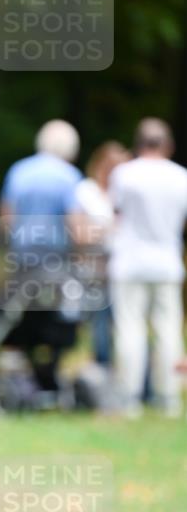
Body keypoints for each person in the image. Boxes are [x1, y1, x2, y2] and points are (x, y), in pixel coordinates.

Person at [0, 120, 82, 396]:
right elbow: (75, 224)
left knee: (21, 318)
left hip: (23, 261)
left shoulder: (19, 171)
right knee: (56, 322)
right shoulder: (70, 176)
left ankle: (24, 377)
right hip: (56, 262)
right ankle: (48, 376)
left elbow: (6, 218)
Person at [108, 118, 187, 418]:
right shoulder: (181, 176)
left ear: (138, 143)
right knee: (169, 330)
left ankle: (129, 397)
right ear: (168, 144)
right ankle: (168, 397)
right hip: (167, 261)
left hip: (130, 261)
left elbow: (116, 214)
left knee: (130, 329)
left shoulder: (125, 174)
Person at [74, 141, 131, 366]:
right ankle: (102, 368)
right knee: (100, 321)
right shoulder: (86, 191)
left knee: (126, 324)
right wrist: (109, 230)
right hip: (95, 270)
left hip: (124, 268)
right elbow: (80, 233)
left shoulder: (125, 192)